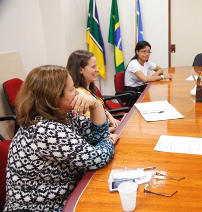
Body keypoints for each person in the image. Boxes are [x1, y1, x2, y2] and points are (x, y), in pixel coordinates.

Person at [4, 65, 119, 211]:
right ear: (53, 97)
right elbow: (97, 158)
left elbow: (97, 134)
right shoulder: (45, 129)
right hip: (44, 207)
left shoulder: (64, 115)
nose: (77, 92)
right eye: (71, 89)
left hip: (67, 195)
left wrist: (95, 105)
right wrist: (108, 141)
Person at [67, 50, 120, 134]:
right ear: (81, 69)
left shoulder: (89, 88)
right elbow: (91, 133)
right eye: (93, 67)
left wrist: (112, 119)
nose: (97, 70)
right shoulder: (80, 96)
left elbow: (102, 109)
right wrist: (115, 128)